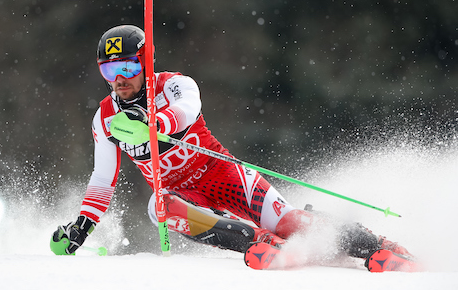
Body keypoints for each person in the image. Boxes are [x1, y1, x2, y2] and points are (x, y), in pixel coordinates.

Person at [51, 25, 412, 265]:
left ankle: (379, 247)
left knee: (289, 222)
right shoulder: (105, 118)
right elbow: (102, 180)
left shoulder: (173, 85)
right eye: (109, 72)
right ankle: (258, 241)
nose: (119, 81)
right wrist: (83, 226)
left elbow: (188, 109)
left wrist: (154, 124)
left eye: (127, 68)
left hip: (222, 173)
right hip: (183, 195)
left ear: (145, 63)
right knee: (157, 205)